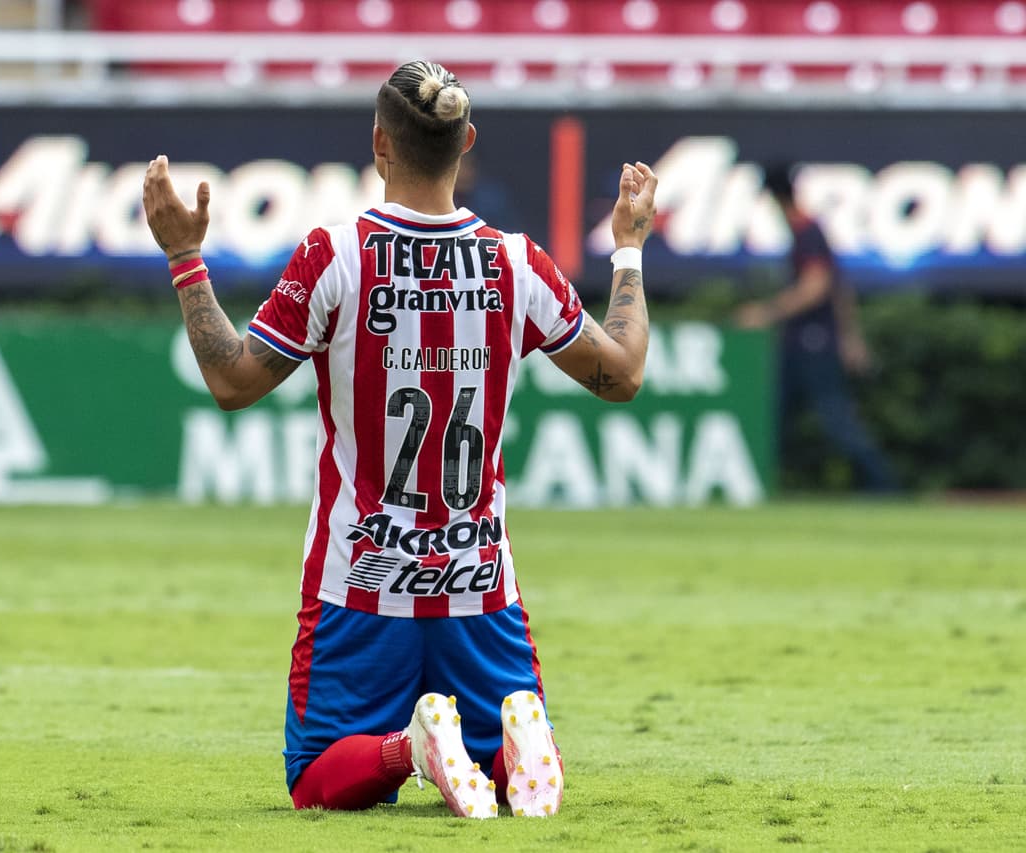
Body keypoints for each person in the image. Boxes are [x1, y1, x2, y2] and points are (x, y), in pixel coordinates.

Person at [143, 60, 657, 817]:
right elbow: (622, 374)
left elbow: (233, 380)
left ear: (379, 144)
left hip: (363, 579)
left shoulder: (337, 254)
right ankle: (508, 744)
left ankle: (411, 748)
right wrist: (628, 248)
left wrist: (185, 260)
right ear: (467, 143)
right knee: (505, 775)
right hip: (479, 585)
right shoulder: (514, 261)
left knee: (315, 773)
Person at [736, 164, 896, 492]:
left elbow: (817, 287)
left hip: (813, 343)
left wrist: (765, 314)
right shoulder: (807, 232)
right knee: (774, 416)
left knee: (835, 419)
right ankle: (757, 482)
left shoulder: (807, 231)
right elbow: (840, 288)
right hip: (805, 341)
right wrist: (850, 337)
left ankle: (883, 486)